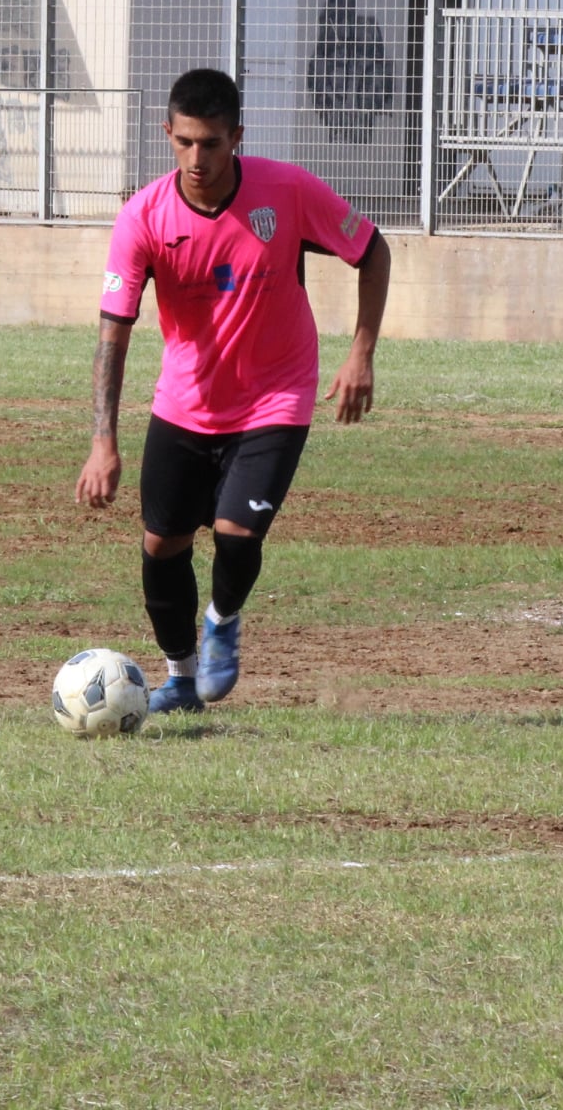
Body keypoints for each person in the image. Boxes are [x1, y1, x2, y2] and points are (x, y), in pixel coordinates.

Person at [76, 68, 392, 712]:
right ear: (168, 133)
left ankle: (222, 620)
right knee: (162, 543)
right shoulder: (142, 218)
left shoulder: (287, 191)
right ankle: (181, 678)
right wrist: (102, 441)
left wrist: (360, 353)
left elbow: (373, 250)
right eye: (186, 142)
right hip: (186, 402)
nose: (198, 158)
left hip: (276, 394)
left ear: (236, 137)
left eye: (212, 144)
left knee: (235, 533)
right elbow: (114, 332)